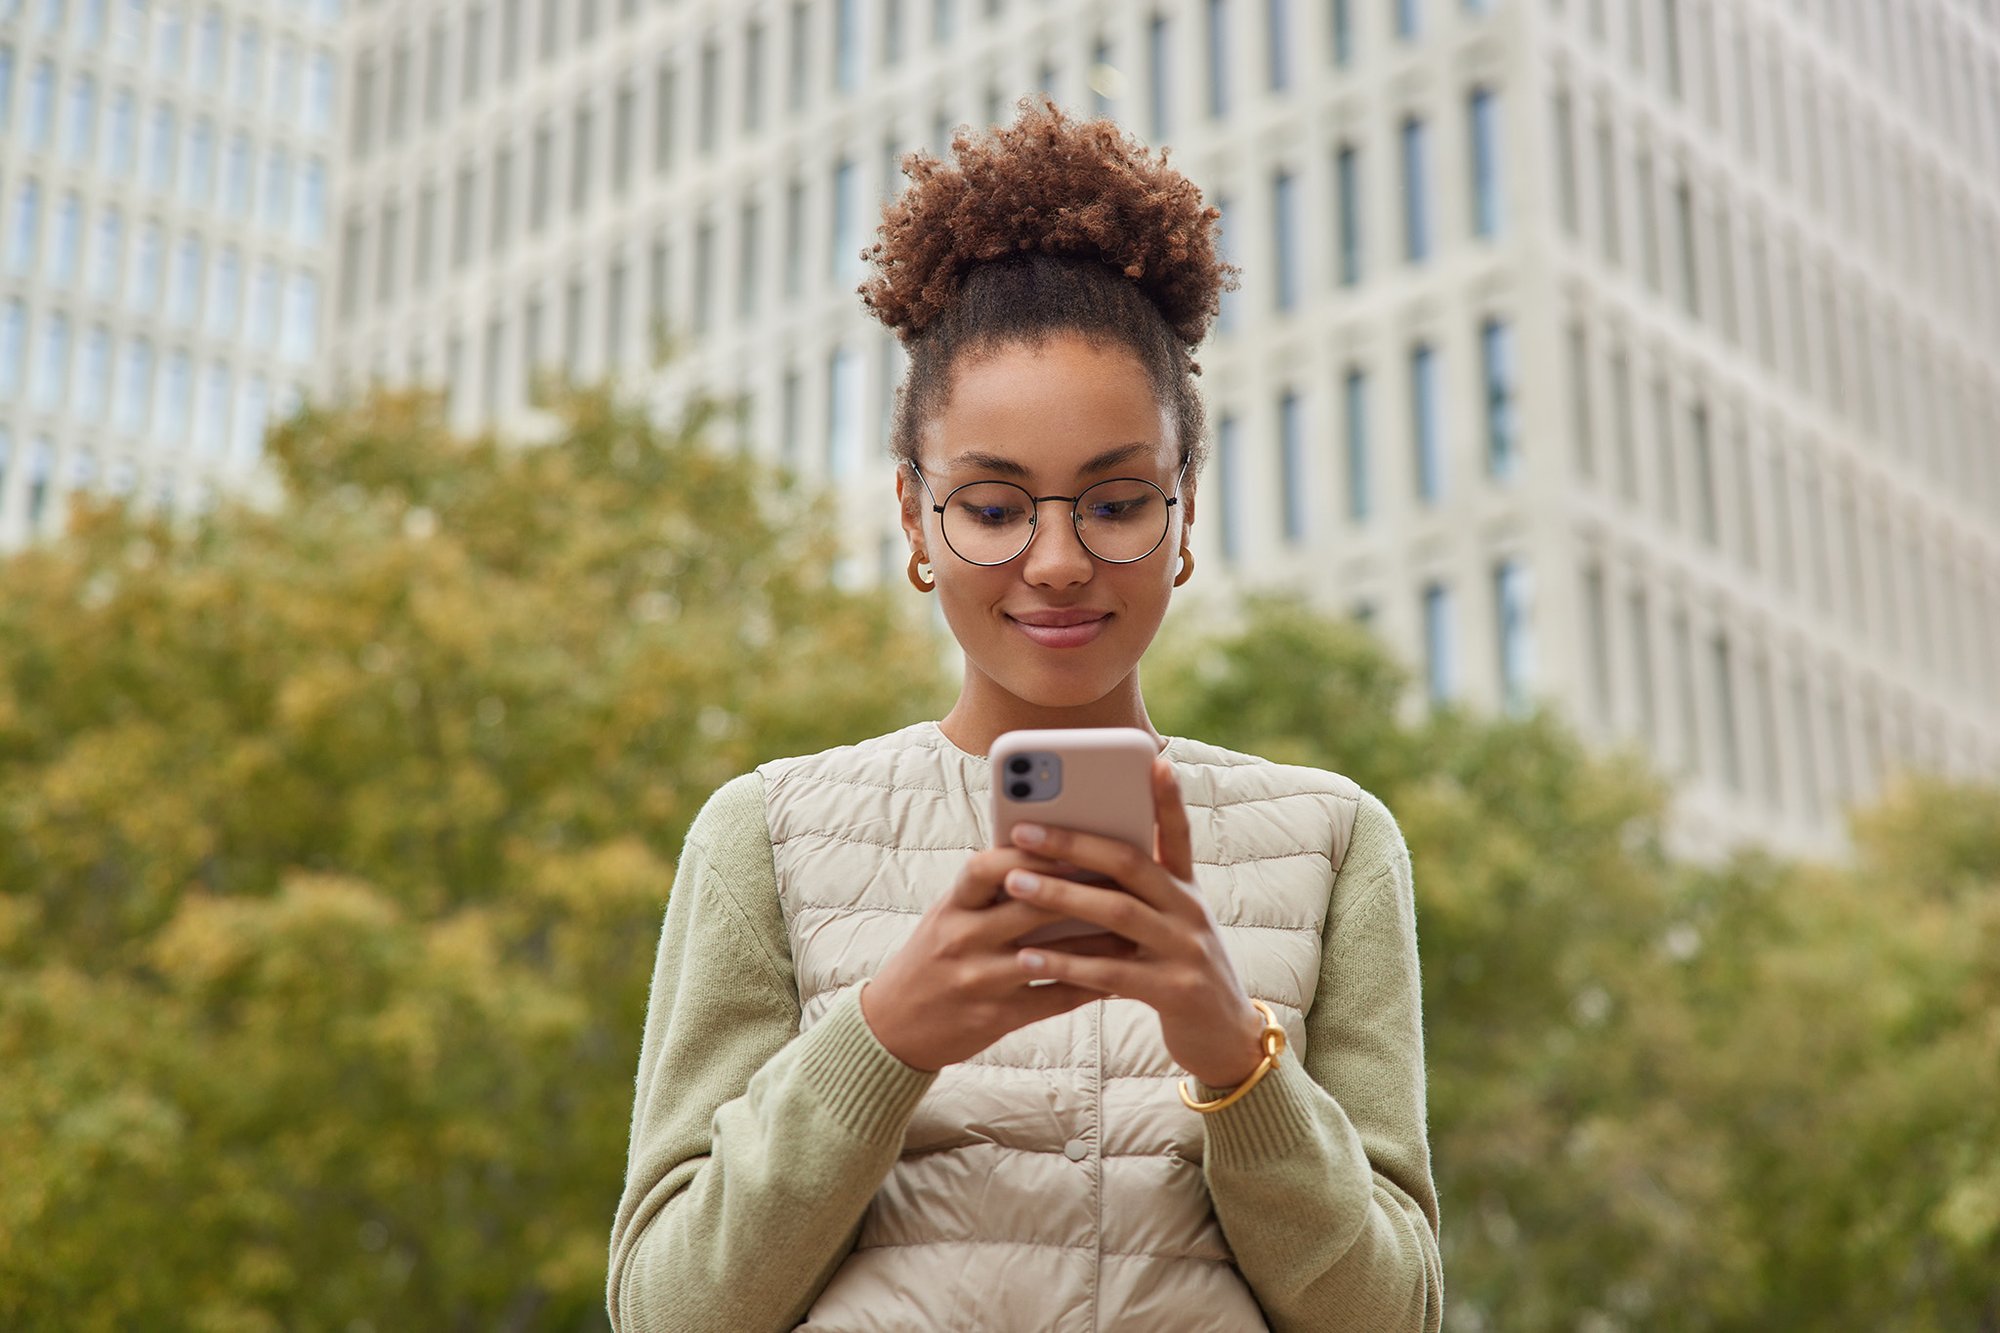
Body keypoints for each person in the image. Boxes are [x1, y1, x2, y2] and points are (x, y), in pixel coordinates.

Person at [607, 100, 1441, 1332]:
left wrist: (1232, 1051)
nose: (1055, 560)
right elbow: (666, 1310)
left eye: (1113, 503)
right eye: (993, 508)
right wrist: (884, 1036)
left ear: (1184, 510)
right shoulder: (762, 833)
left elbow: (1393, 1316)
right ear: (912, 519)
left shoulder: (1332, 842)